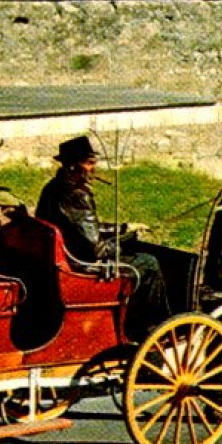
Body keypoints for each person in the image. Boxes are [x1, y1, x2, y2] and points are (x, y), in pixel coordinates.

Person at [35, 135, 169, 338]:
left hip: (63, 256)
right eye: (89, 163)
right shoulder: (77, 194)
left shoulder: (53, 187)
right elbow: (94, 248)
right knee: (149, 263)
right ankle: (150, 329)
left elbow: (86, 228)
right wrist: (123, 245)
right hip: (80, 264)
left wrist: (124, 228)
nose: (93, 168)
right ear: (73, 165)